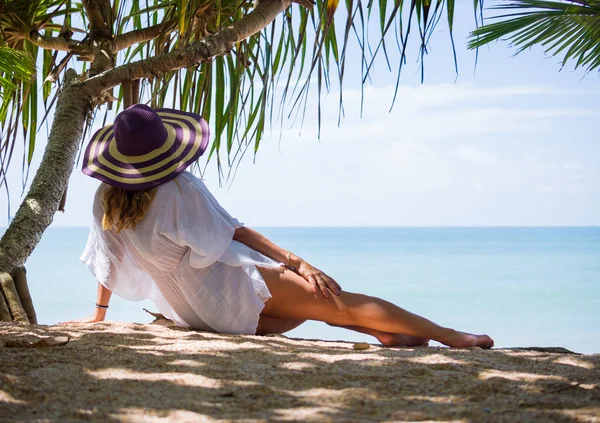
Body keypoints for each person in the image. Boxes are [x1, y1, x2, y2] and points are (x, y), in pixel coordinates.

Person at [66, 104, 494, 349]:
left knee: (314, 311)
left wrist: (98, 314)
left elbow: (109, 258)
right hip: (226, 290)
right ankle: (452, 337)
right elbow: (234, 233)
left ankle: (388, 334)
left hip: (194, 312)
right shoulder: (179, 190)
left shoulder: (107, 199)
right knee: (334, 301)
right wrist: (298, 262)